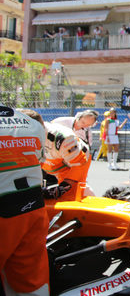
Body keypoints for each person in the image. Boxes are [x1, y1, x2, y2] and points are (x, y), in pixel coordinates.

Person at [0, 106, 49, 296]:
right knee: (31, 281)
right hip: (33, 208)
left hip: (4, 211)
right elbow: (39, 161)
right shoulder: (30, 122)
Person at [41, 121, 93, 199]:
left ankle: (93, 206)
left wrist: (62, 188)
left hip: (76, 160)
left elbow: (78, 165)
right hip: (53, 159)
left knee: (73, 193)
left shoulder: (64, 138)